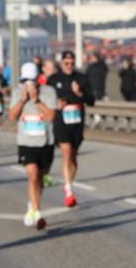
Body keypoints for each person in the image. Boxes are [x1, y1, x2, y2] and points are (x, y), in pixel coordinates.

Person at [9, 62, 57, 230]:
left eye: (32, 80)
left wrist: (37, 100)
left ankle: (32, 204)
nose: (28, 84)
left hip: (45, 142)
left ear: (38, 79)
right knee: (32, 175)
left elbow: (51, 116)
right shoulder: (17, 92)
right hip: (26, 141)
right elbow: (12, 116)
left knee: (40, 178)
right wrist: (22, 101)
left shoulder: (49, 92)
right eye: (25, 80)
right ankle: (37, 214)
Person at [47, 50, 94, 208]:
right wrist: (55, 104)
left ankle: (69, 183)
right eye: (66, 63)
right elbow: (45, 100)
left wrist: (79, 92)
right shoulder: (53, 80)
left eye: (72, 63)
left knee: (73, 158)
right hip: (61, 120)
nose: (69, 66)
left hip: (77, 121)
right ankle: (69, 192)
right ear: (61, 64)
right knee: (66, 153)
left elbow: (92, 100)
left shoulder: (81, 78)